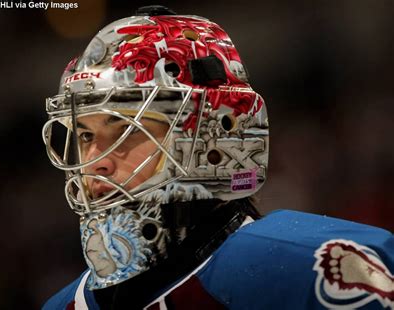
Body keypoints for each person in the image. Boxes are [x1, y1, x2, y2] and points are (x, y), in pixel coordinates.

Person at [41, 6, 393, 309]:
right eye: (86, 135)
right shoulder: (67, 304)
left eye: (126, 129)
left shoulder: (316, 269)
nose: (94, 161)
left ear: (217, 133)